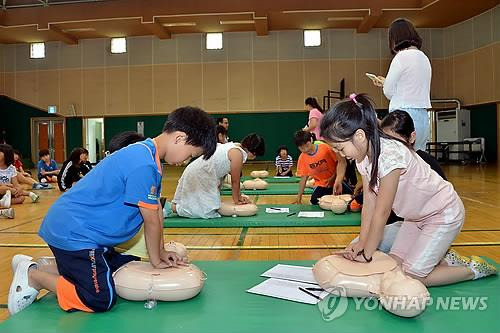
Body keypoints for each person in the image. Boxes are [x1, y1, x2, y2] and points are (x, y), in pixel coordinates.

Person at [8, 106, 217, 315]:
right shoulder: (144, 164)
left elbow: (156, 214)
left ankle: (49, 266)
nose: (186, 161)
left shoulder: (147, 156)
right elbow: (151, 220)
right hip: (76, 235)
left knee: (124, 265)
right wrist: (156, 259)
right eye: (191, 154)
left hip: (84, 234)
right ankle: (34, 275)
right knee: (100, 298)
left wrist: (161, 252)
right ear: (180, 138)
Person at [320, 93, 496, 287]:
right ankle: (445, 260)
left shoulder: (389, 155)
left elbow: (382, 211)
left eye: (340, 148)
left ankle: (472, 271)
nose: (339, 154)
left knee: (413, 277)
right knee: (393, 266)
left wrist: (367, 254)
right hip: (415, 218)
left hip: (442, 214)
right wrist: (361, 242)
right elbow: (369, 204)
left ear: (359, 136)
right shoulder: (363, 159)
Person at [368, 18, 432, 151]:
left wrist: (385, 84)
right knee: (419, 159)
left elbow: (389, 91)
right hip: (423, 115)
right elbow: (412, 85)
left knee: (402, 158)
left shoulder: (401, 57)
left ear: (394, 38)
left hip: (403, 115)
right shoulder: (424, 57)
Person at [168, 134, 265, 219]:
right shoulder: (237, 154)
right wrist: (236, 200)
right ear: (254, 152)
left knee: (209, 203)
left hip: (199, 172)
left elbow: (222, 172)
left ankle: (173, 207)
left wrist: (233, 195)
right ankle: (171, 207)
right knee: (207, 211)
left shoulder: (234, 146)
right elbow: (235, 181)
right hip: (200, 174)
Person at [293, 130, 348, 205]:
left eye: (307, 145)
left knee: (349, 198)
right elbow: (303, 179)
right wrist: (299, 197)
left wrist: (333, 178)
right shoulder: (302, 158)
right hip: (321, 185)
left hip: (337, 180)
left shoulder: (325, 148)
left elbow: (340, 163)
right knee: (314, 201)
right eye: (302, 148)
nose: (306, 149)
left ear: (311, 140)